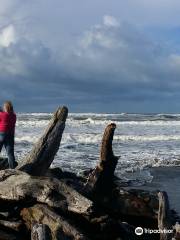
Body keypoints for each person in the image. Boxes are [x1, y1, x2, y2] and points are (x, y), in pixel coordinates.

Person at [0, 101, 17, 168]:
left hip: (2, 133)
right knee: (10, 154)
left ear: (6, 107)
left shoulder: (2, 114)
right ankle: (12, 169)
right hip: (10, 134)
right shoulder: (14, 116)